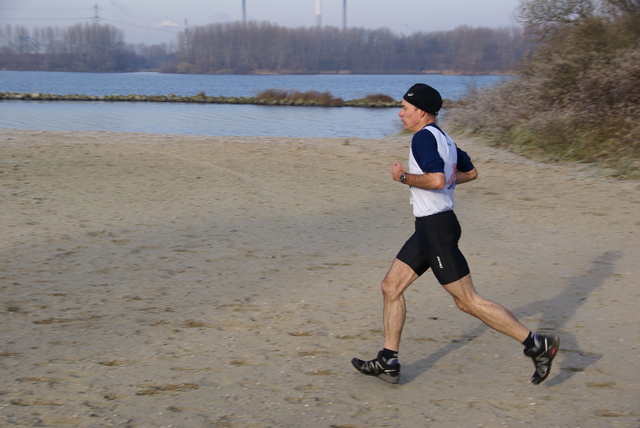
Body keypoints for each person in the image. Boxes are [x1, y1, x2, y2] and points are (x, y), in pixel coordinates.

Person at [351, 83, 559, 385]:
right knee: (390, 287)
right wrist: (444, 183)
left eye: (405, 109)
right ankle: (388, 360)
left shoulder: (423, 139)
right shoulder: (443, 138)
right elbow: (471, 173)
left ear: (421, 112)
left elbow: (436, 180)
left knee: (467, 301)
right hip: (428, 227)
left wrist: (403, 177)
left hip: (436, 229)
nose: (400, 113)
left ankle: (536, 344)